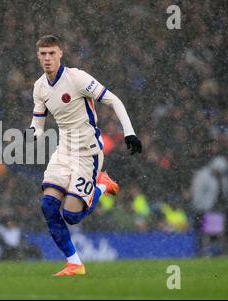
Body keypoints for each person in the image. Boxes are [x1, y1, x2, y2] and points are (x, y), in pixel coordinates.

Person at [28, 35, 142, 276]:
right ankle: (75, 264)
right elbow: (38, 123)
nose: (47, 58)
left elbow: (114, 100)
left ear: (60, 54)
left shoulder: (77, 78)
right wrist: (32, 135)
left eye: (52, 53)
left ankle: (101, 185)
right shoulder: (39, 87)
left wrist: (129, 133)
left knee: (71, 215)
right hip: (63, 152)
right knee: (48, 206)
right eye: (43, 54)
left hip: (87, 154)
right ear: (38, 56)